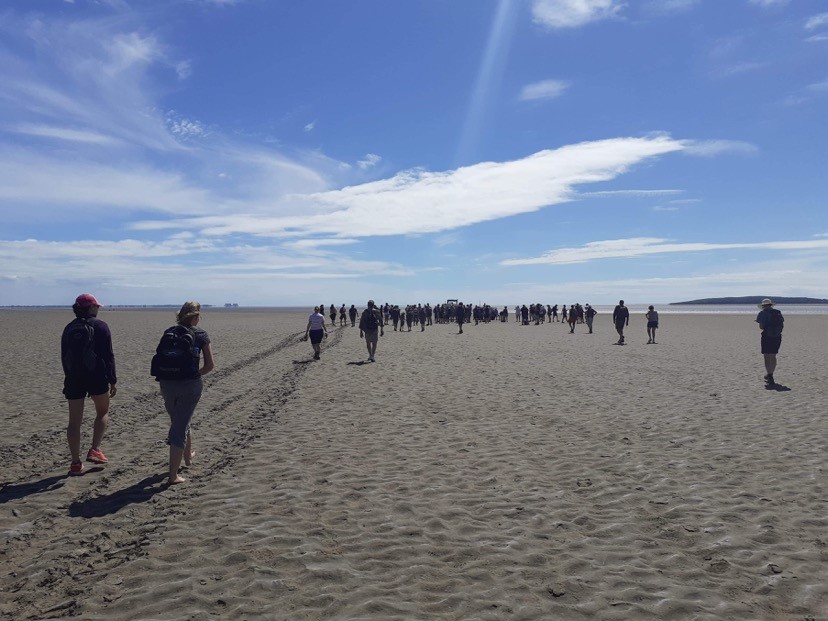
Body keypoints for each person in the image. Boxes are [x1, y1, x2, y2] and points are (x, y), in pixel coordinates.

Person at [157, 301, 214, 485]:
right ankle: (173, 476)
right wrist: (195, 374)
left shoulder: (169, 332)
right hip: (189, 385)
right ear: (195, 316)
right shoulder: (201, 334)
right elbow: (209, 365)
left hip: (166, 383)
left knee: (180, 419)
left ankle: (188, 457)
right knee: (180, 426)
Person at [61, 293, 117, 476]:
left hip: (74, 378)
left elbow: (64, 356)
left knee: (74, 422)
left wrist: (69, 377)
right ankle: (95, 449)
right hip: (96, 376)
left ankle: (75, 463)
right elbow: (108, 356)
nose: (98, 309)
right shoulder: (101, 326)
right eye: (97, 307)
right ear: (91, 308)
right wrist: (112, 380)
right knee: (102, 411)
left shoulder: (69, 328)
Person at [756, 298, 784, 386]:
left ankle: (769, 375)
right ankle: (771, 374)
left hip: (767, 336)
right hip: (777, 336)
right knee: (773, 355)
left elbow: (761, 327)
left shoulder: (762, 313)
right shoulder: (778, 312)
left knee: (767, 356)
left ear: (763, 306)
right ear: (771, 305)